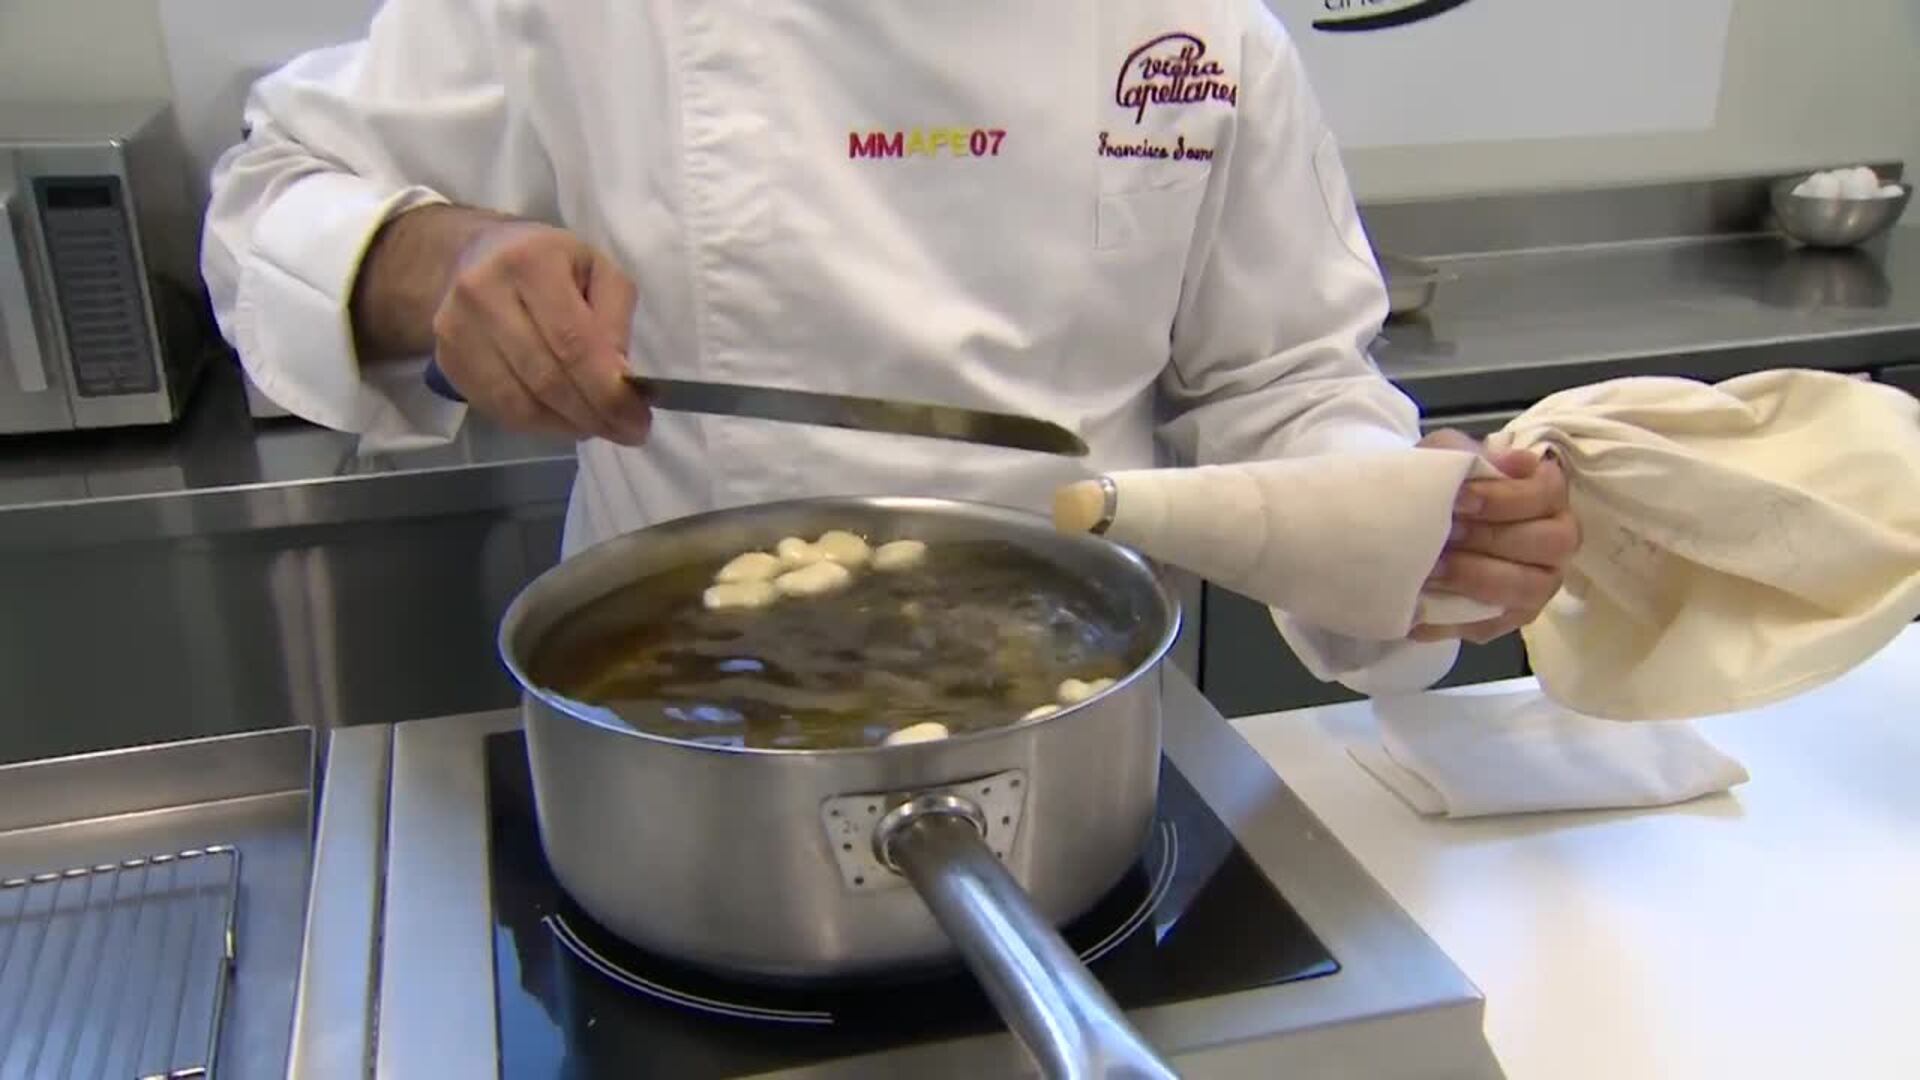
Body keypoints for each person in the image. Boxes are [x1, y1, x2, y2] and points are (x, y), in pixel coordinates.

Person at [201, 0, 1578, 693]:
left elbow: (1286, 379)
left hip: (1085, 697)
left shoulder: (1202, 26)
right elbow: (271, 196)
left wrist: (1396, 532)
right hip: (684, 692)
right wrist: (440, 261)